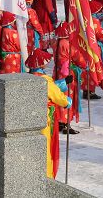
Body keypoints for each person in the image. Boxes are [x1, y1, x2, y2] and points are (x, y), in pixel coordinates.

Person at [26, 49, 70, 179]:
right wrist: (68, 101)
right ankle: (46, 175)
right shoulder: (45, 80)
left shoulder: (27, 77)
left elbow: (51, 89)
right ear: (41, 64)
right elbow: (58, 97)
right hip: (44, 117)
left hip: (30, 116)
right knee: (45, 145)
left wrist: (63, 82)